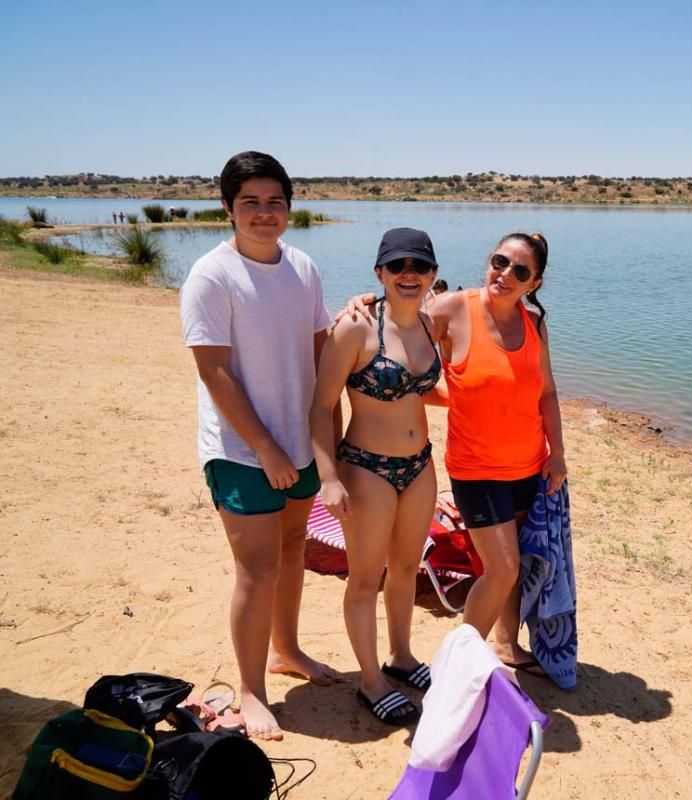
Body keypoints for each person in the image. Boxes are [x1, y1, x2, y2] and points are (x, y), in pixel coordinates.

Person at [343, 232, 566, 675]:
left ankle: (506, 643)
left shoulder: (534, 325)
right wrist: (367, 302)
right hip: (476, 467)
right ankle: (460, 664)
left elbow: (547, 393)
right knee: (503, 568)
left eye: (520, 271)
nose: (505, 274)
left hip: (528, 464)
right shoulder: (452, 309)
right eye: (500, 261)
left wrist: (556, 453)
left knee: (513, 564)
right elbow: (399, 332)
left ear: (534, 283)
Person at [180, 151, 339, 740]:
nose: (264, 213)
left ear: (289, 208)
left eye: (275, 202)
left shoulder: (302, 267)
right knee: (257, 567)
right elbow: (214, 372)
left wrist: (329, 440)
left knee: (294, 549)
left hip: (299, 440)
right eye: (250, 202)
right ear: (228, 207)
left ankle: (287, 650)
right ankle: (250, 689)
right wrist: (267, 449)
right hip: (242, 450)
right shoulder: (211, 276)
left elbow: (323, 353)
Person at [310, 228, 441, 725]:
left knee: (407, 568)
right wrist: (328, 476)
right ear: (379, 273)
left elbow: (491, 306)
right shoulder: (355, 328)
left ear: (432, 274)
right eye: (397, 265)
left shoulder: (431, 322)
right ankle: (370, 681)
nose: (409, 274)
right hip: (367, 468)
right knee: (366, 579)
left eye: (419, 266)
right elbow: (321, 405)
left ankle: (401, 657)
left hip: (420, 465)